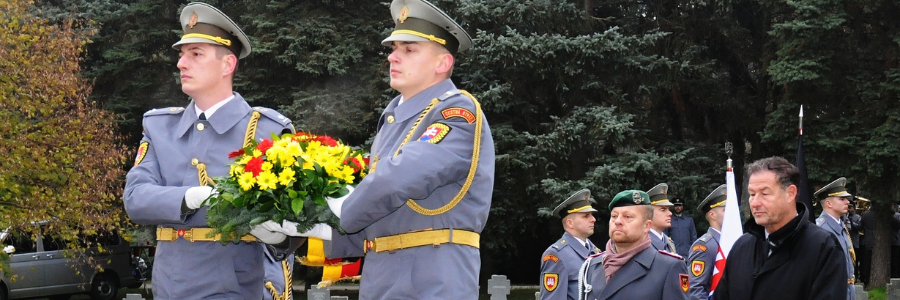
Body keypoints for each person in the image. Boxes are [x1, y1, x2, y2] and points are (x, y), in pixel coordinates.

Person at [259, 0, 495, 298]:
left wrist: (343, 208)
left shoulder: (457, 110)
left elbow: (401, 177)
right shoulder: (395, 120)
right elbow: (379, 217)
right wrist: (303, 229)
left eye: (409, 49)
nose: (393, 57)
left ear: (442, 63)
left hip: (432, 275)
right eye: (393, 48)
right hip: (381, 276)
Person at [123, 3, 302, 299]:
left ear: (227, 65)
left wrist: (281, 237)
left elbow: (297, 222)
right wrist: (187, 197)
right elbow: (135, 199)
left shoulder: (266, 131)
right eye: (182, 54)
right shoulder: (160, 127)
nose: (182, 63)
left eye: (196, 54)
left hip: (234, 288)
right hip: (170, 288)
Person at [712, 157, 846, 300]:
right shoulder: (742, 247)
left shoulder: (823, 248)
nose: (755, 203)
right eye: (752, 194)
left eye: (765, 194)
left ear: (790, 193)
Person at [577, 190, 689, 300]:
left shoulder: (668, 267)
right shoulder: (592, 266)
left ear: (647, 226)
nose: (618, 221)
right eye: (614, 216)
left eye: (628, 217)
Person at [540, 189, 601, 300]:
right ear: (570, 223)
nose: (593, 219)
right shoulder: (556, 255)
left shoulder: (596, 252)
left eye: (592, 215)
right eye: (586, 216)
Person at [814, 177, 856, 300]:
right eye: (842, 199)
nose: (847, 202)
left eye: (847, 199)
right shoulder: (820, 229)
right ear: (829, 203)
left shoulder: (841, 225)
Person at [687, 184, 726, 300]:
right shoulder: (704, 246)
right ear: (712, 215)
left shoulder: (731, 242)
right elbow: (695, 289)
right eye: (725, 210)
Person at [646, 183, 677, 254]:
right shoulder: (642, 242)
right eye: (663, 210)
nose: (670, 213)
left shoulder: (668, 241)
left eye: (668, 209)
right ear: (648, 213)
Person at [844, 201, 861, 280]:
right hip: (846, 241)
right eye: (848, 207)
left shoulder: (857, 217)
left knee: (855, 260)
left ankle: (856, 275)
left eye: (850, 207)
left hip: (854, 241)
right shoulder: (844, 216)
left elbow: (858, 227)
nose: (849, 209)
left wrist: (851, 221)